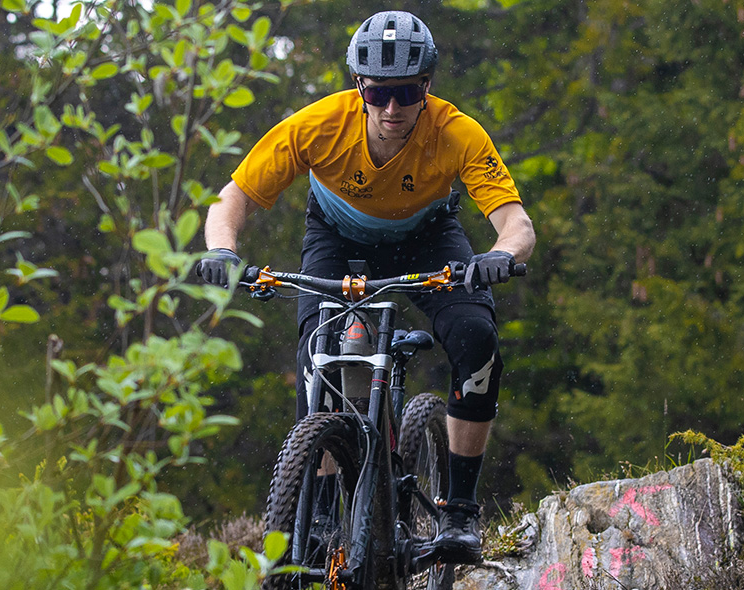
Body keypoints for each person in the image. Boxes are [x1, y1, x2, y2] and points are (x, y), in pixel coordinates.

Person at [193, 10, 533, 564]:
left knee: (476, 340)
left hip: (428, 237)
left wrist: (499, 256)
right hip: (337, 237)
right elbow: (233, 200)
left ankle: (459, 516)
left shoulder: (457, 132)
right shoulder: (317, 125)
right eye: (378, 94)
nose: (392, 109)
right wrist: (223, 252)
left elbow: (517, 224)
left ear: (426, 86)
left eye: (405, 92)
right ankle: (325, 514)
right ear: (360, 87)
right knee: (319, 357)